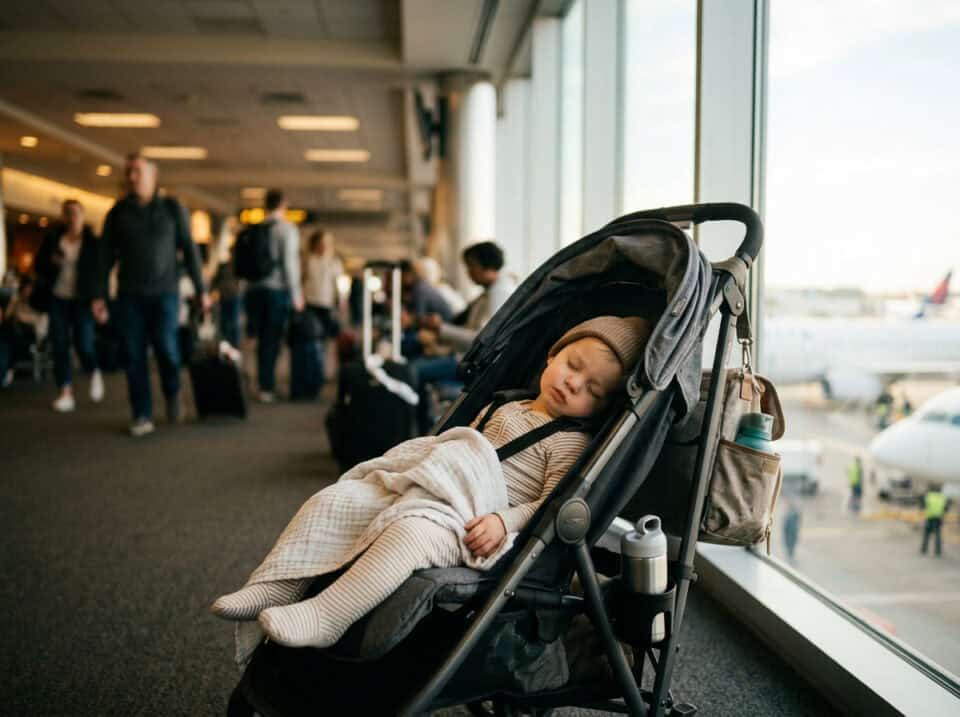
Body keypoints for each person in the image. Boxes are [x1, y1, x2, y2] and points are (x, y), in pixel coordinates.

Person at [212, 315, 652, 653]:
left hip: (478, 525)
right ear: (551, 357)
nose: (574, 383)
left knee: (410, 534)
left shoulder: (570, 441)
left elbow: (551, 502)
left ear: (599, 409)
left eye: (592, 390)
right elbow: (456, 449)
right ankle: (279, 583)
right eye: (573, 366)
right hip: (437, 488)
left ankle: (330, 615)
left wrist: (503, 520)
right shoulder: (505, 404)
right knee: (336, 498)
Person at [94, 152, 210, 437]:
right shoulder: (118, 212)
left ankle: (172, 392)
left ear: (152, 176)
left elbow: (191, 252)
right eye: (128, 172)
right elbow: (104, 257)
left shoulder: (172, 208)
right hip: (129, 295)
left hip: (165, 294)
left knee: (166, 350)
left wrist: (201, 290)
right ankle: (142, 413)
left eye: (137, 172)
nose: (131, 178)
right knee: (133, 355)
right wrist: (98, 296)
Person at [412, 241, 517, 432]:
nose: (468, 273)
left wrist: (441, 329)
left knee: (414, 370)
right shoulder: (490, 292)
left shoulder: (499, 292)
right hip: (464, 358)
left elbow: (482, 339)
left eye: (471, 267)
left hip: (472, 365)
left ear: (485, 265)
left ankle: (423, 430)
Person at [34, 199, 105, 412]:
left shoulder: (92, 241)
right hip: (58, 297)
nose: (72, 217)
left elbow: (99, 273)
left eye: (76, 213)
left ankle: (94, 370)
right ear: (64, 217)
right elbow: (38, 265)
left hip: (82, 299)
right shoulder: (54, 239)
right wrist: (51, 262)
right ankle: (65, 390)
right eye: (68, 213)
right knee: (59, 343)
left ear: (83, 215)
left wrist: (99, 300)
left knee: (83, 342)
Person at [244, 189, 304, 402]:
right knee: (271, 340)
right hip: (275, 291)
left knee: (254, 337)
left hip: (253, 290)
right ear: (283, 204)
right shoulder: (286, 229)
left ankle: (253, 380)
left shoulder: (256, 227)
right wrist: (296, 295)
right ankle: (266, 386)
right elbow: (289, 264)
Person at [302, 229, 343, 339]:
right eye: (321, 242)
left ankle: (322, 355)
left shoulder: (334, 262)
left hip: (327, 303)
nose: (324, 245)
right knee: (311, 333)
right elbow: (301, 281)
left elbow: (338, 284)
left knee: (325, 335)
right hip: (310, 302)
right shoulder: (308, 260)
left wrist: (341, 300)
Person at [920, 483, 950, 557]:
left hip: (929, 517)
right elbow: (946, 508)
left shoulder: (928, 496)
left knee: (926, 535)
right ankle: (938, 551)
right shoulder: (943, 497)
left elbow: (923, 506)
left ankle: (924, 549)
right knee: (938, 536)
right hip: (938, 518)